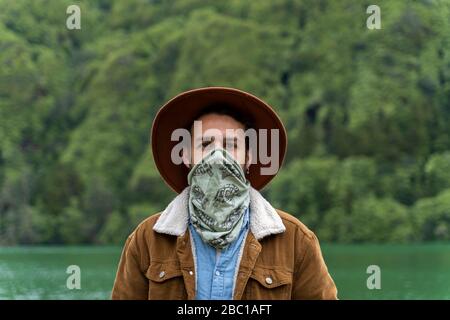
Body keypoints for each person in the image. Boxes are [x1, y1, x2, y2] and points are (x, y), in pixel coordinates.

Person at [112, 87, 338, 300]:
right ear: (186, 155)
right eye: (206, 144)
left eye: (231, 145)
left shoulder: (296, 241)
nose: (218, 155)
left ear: (248, 158)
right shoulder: (146, 241)